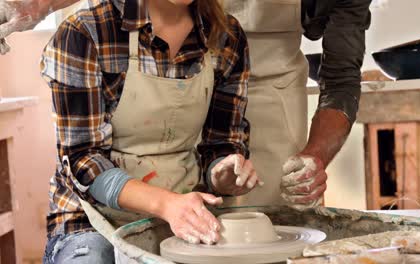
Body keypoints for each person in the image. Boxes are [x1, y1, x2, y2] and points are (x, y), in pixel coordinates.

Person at [40, 0, 256, 263]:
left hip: (187, 207)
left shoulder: (226, 36)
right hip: (93, 219)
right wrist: (166, 204)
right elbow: (83, 160)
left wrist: (223, 173)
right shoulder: (86, 32)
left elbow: (222, 142)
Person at [223, 0, 372, 209]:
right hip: (190, 81)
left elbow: (341, 81)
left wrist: (315, 156)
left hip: (274, 90)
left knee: (275, 217)